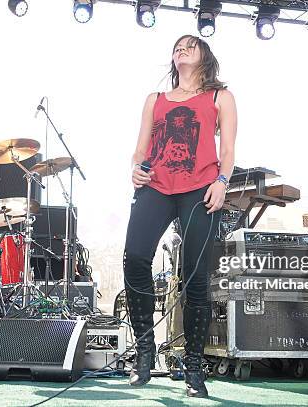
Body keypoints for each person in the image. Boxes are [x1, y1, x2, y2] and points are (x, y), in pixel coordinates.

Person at [123, 34, 237, 398]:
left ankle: (193, 366)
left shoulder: (220, 97)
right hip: (155, 185)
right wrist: (135, 169)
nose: (182, 49)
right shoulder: (154, 100)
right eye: (177, 46)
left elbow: (229, 149)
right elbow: (139, 150)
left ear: (205, 55)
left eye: (190, 45)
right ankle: (144, 351)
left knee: (195, 276)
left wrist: (222, 180)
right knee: (135, 257)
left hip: (200, 187)